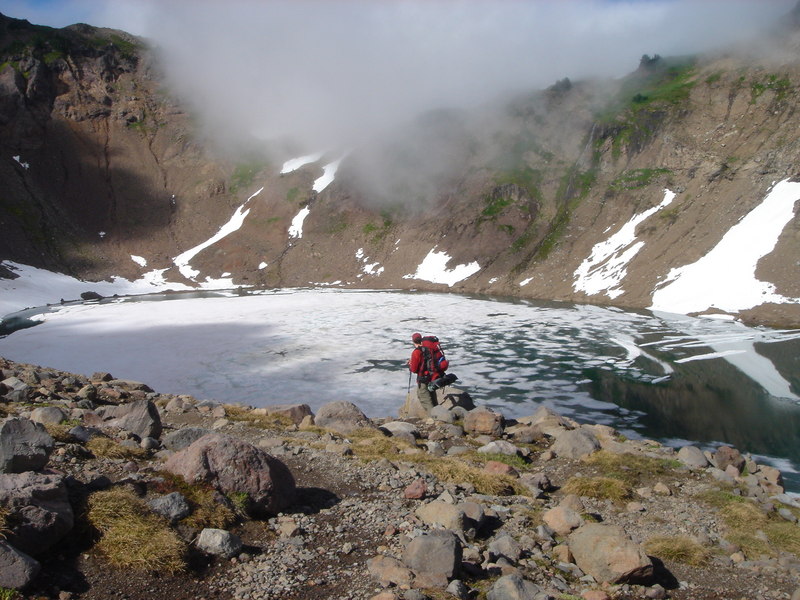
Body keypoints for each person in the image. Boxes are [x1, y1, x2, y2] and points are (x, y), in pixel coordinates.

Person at [408, 332, 443, 413]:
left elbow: (414, 369)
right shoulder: (429, 349)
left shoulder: (416, 352)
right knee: (433, 399)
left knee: (425, 400)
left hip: (423, 379)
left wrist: (410, 364)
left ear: (413, 341)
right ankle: (441, 414)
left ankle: (436, 418)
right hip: (432, 377)